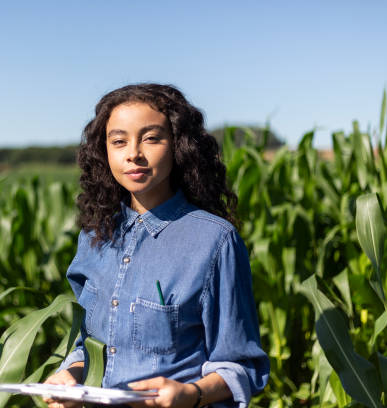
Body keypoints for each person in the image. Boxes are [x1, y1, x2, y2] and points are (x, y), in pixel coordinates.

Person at [44, 84, 269, 408]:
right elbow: (90, 345)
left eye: (151, 138)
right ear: (104, 151)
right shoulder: (95, 237)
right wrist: (71, 374)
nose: (133, 153)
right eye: (119, 141)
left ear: (178, 145)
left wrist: (192, 394)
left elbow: (242, 367)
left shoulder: (215, 242)